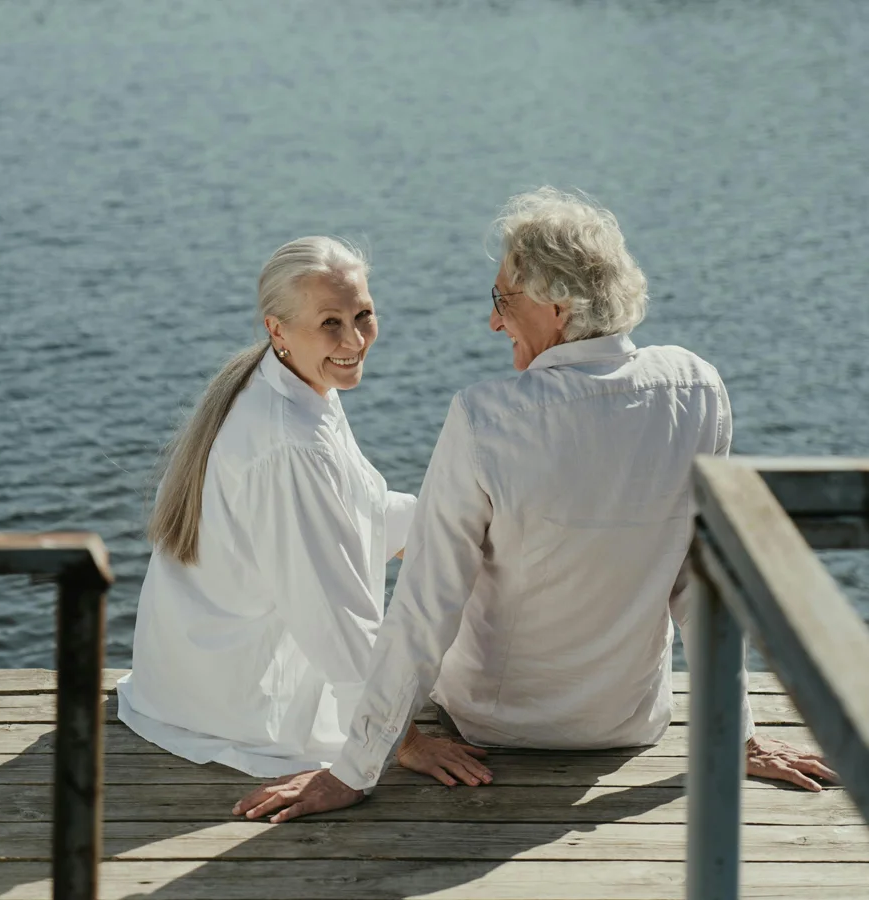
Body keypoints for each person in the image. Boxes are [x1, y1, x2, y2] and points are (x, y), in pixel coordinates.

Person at [233, 189, 838, 821]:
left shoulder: (485, 417)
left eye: (502, 300)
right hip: (626, 722)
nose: (494, 322)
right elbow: (704, 581)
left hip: (494, 726)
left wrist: (354, 770)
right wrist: (732, 734)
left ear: (556, 305)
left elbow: (424, 607)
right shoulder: (698, 389)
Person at [117, 236, 487, 781]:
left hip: (184, 679)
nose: (355, 339)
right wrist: (399, 740)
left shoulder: (291, 384)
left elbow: (355, 508)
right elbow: (335, 614)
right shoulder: (290, 443)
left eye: (363, 315)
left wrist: (472, 521)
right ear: (277, 329)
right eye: (331, 323)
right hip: (234, 704)